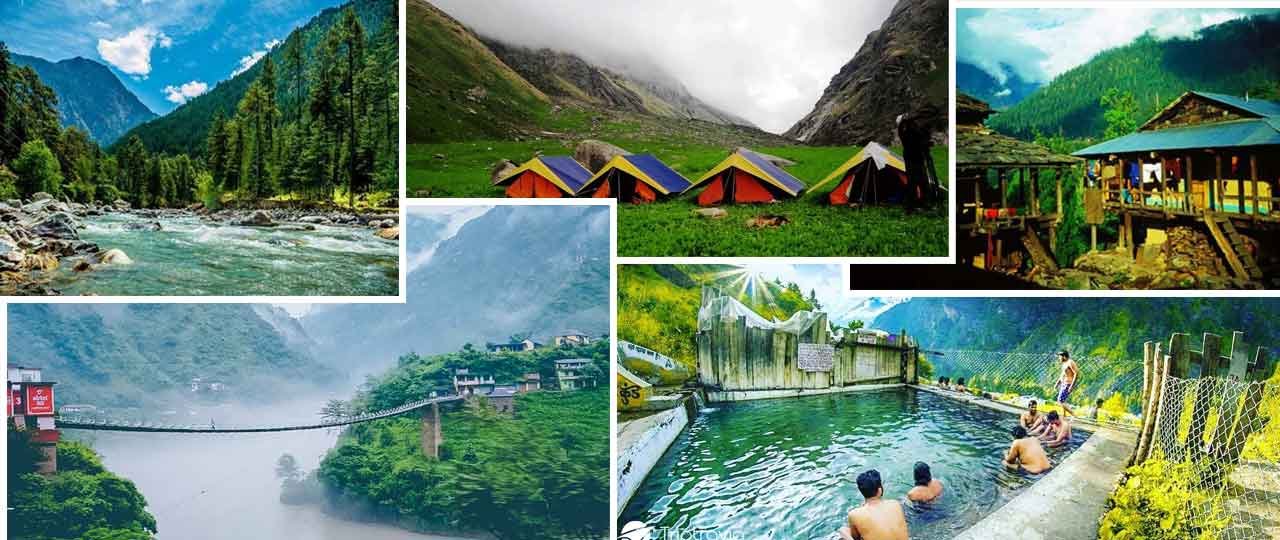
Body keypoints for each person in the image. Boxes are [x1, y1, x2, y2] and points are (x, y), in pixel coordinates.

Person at [838, 469, 909, 540]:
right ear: (879, 490)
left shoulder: (854, 514)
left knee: (843, 530)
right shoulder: (895, 503)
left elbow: (856, 537)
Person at [1054, 350, 1079, 417]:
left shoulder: (1070, 362)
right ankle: (1064, 415)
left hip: (1068, 384)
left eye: (1060, 357)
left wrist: (1071, 386)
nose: (1059, 358)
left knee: (1060, 400)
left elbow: (1076, 373)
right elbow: (1062, 375)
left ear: (1064, 356)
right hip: (1064, 384)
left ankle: (1074, 415)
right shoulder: (1064, 364)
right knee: (1063, 400)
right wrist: (1057, 383)